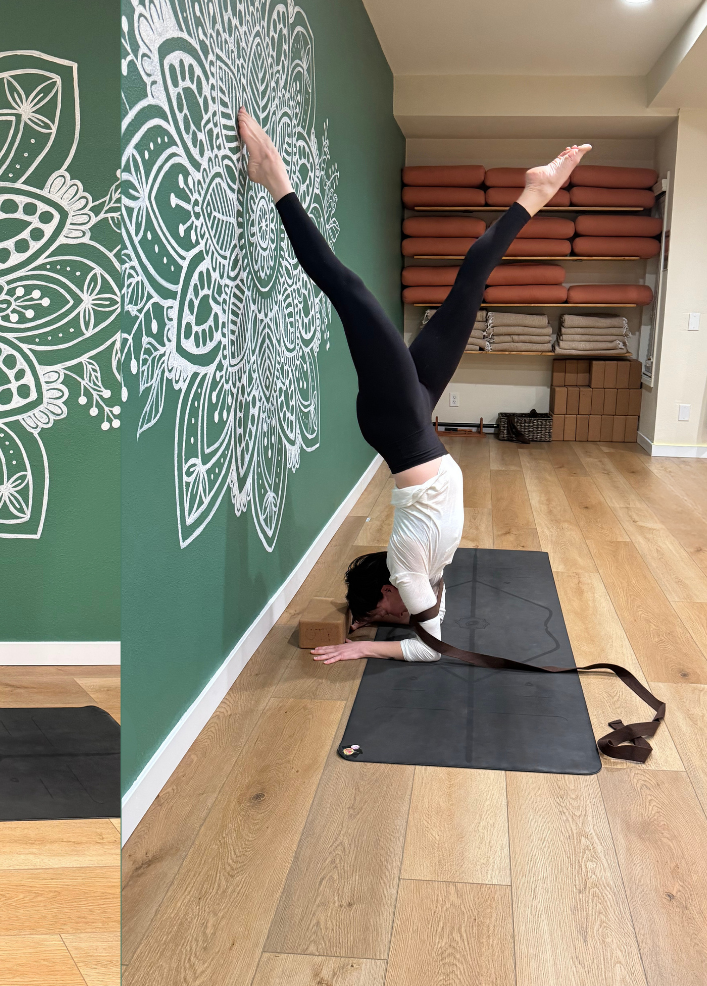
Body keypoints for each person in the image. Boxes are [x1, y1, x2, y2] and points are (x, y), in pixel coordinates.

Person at [236, 107, 589, 665]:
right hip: (417, 419)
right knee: (470, 285)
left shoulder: (405, 567)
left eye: (390, 612)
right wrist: (363, 626)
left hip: (399, 425)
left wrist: (361, 648)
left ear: (386, 593)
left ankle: (273, 177)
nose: (409, 614)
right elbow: (429, 632)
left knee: (347, 289)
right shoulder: (429, 569)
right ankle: (535, 194)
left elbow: (430, 647)